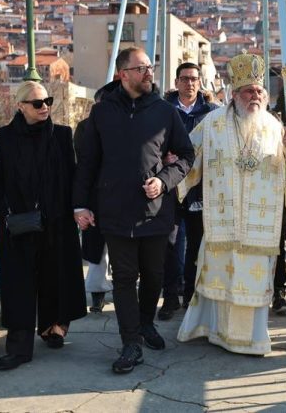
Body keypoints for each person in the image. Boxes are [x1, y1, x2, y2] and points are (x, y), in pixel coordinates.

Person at [72, 47, 195, 374]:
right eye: (141, 68)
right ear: (123, 74)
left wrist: (164, 181)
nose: (148, 72)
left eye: (150, 67)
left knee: (154, 275)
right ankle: (130, 343)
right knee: (124, 278)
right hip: (114, 211)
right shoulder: (101, 112)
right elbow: (87, 163)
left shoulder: (165, 111)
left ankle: (145, 323)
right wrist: (81, 205)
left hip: (155, 211)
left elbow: (186, 156)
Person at [176, 52, 286, 355]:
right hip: (223, 218)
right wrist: (170, 182)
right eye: (248, 91)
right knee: (220, 276)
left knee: (252, 281)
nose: (255, 96)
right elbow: (188, 157)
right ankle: (215, 332)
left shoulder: (274, 126)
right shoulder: (213, 123)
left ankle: (252, 339)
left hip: (259, 224)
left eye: (259, 91)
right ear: (234, 94)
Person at [0, 81, 87, 371]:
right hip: (19, 224)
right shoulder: (5, 136)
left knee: (56, 275)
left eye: (48, 101)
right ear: (21, 106)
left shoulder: (62, 135)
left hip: (57, 222)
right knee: (19, 284)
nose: (44, 107)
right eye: (37, 103)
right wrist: (2, 213)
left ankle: (53, 327)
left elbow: (73, 176)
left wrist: (78, 209)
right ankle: (19, 348)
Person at [159, 62, 219, 320]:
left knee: (197, 245)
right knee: (169, 245)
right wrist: (163, 159)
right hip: (170, 188)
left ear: (200, 82)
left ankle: (192, 296)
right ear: (176, 82)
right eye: (184, 78)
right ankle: (170, 297)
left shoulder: (213, 113)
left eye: (194, 78)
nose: (190, 83)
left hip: (201, 189)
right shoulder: (162, 110)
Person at [73, 80, 120, 313]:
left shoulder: (128, 125)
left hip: (120, 195)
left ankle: (119, 292)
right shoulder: (84, 128)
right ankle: (97, 295)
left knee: (121, 250)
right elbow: (83, 164)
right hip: (95, 197)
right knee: (97, 252)